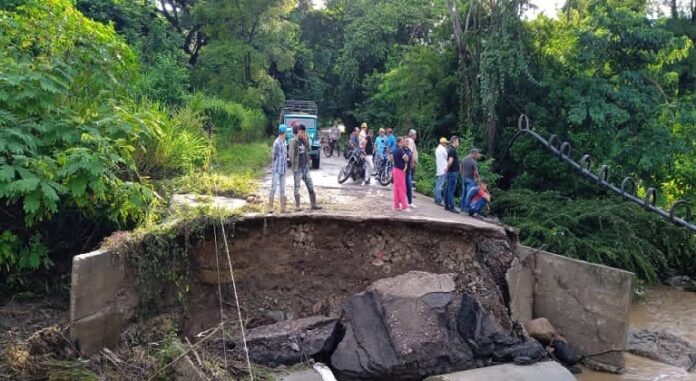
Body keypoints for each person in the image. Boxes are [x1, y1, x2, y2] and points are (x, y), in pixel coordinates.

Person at [289, 124, 322, 211]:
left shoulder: (304, 140)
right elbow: (291, 155)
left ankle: (313, 204)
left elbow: (309, 149)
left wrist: (306, 140)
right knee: (297, 187)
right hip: (298, 168)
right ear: (297, 132)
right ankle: (297, 206)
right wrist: (295, 164)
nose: (303, 133)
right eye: (301, 132)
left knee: (310, 185)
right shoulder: (293, 141)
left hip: (305, 168)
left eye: (304, 132)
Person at [268, 124, 288, 213]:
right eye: (286, 132)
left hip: (283, 168)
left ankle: (283, 208)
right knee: (273, 187)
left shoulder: (284, 142)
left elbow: (285, 155)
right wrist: (273, 165)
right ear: (283, 132)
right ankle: (270, 207)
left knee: (283, 189)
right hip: (277, 168)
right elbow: (273, 156)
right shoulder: (276, 142)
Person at [459, 148, 482, 213]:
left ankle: (462, 208)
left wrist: (462, 174)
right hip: (470, 179)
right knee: (469, 194)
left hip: (464, 178)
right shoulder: (473, 161)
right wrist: (479, 178)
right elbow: (476, 172)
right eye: (477, 154)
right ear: (473, 153)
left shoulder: (464, 159)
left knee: (464, 193)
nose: (477, 155)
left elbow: (460, 168)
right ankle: (466, 209)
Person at [391, 137, 410, 211]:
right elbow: (406, 158)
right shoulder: (400, 150)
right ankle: (404, 206)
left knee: (396, 188)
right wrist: (406, 156)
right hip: (400, 170)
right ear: (399, 142)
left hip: (395, 169)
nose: (403, 143)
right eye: (402, 142)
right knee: (402, 188)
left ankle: (396, 205)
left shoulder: (395, 150)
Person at [444, 136, 460, 213]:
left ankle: (447, 205)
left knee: (447, 189)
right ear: (454, 141)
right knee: (451, 190)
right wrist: (447, 168)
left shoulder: (450, 150)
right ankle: (451, 206)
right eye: (458, 141)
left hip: (451, 172)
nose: (458, 143)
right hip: (453, 172)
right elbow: (450, 161)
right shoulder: (452, 150)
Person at [405, 129, 418, 208]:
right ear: (412, 135)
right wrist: (413, 162)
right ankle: (409, 201)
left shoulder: (410, 141)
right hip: (409, 165)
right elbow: (411, 152)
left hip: (409, 165)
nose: (416, 136)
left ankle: (408, 200)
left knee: (408, 182)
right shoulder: (410, 141)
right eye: (415, 135)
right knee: (408, 183)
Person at [434, 137, 449, 205]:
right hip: (444, 169)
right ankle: (439, 200)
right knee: (440, 186)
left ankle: (436, 198)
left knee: (437, 184)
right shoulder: (443, 149)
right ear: (443, 143)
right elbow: (447, 158)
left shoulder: (437, 149)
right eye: (446, 143)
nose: (446, 144)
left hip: (439, 169)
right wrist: (446, 150)